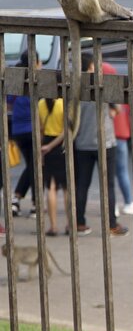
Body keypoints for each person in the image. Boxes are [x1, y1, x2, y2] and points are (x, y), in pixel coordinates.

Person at [73, 61, 127, 237]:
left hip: (82, 142)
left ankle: (79, 223)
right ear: (90, 67)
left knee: (82, 184)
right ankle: (111, 225)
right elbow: (117, 109)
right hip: (105, 142)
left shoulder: (75, 85)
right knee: (108, 186)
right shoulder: (101, 83)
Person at [7, 50, 38, 218]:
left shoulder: (15, 78)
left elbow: (8, 104)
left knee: (31, 165)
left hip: (17, 130)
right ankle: (34, 204)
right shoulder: (36, 78)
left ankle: (16, 200)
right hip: (32, 129)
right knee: (35, 166)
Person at [36, 92, 68, 236]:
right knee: (67, 188)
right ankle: (70, 224)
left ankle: (53, 226)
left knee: (51, 187)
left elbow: (40, 130)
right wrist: (52, 146)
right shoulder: (63, 104)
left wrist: (44, 148)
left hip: (46, 144)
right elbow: (66, 132)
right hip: (60, 147)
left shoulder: (41, 104)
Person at [111, 103, 133, 215]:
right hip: (122, 135)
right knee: (122, 171)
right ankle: (129, 203)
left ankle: (112, 206)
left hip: (107, 136)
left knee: (108, 174)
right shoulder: (123, 90)